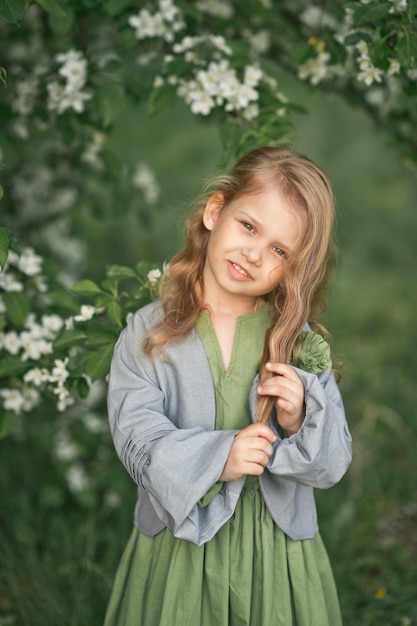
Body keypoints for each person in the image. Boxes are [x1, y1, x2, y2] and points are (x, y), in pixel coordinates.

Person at [104, 146, 352, 626]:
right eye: (249, 227)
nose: (254, 255)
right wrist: (221, 455)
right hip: (178, 552)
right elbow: (134, 434)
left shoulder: (295, 344)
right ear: (216, 212)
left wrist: (300, 419)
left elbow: (333, 463)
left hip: (273, 555)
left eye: (280, 250)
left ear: (294, 268)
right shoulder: (149, 332)